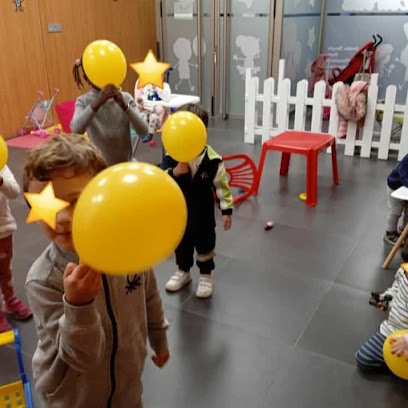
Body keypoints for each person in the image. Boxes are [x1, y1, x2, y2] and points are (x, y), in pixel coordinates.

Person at [24, 134, 169, 408]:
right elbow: (82, 358)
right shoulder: (43, 280)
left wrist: (159, 338)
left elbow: (149, 296)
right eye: (49, 205)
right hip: (73, 397)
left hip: (127, 387)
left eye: (76, 200)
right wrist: (78, 305)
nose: (62, 218)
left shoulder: (130, 250)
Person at [161, 104, 233, 298]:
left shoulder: (212, 160)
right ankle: (183, 271)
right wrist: (174, 172)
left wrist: (226, 211)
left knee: (205, 244)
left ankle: (205, 275)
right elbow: (161, 180)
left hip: (203, 214)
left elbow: (221, 187)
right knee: (182, 245)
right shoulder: (171, 156)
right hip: (180, 213)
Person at [70, 58, 148, 166]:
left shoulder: (125, 97)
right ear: (86, 78)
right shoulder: (83, 101)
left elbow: (143, 130)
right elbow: (76, 130)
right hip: (100, 168)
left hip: (126, 164)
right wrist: (97, 103)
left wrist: (125, 107)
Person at [355, 262, 408, 371]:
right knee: (363, 357)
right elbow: (397, 288)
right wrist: (387, 299)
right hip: (393, 330)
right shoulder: (403, 270)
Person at [0, 165, 32, 333]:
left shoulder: (1, 166)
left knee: (5, 271)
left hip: (3, 230)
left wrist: (1, 182)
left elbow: (14, 192)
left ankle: (10, 301)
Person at [384, 154, 408, 244]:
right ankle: (390, 233)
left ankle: (404, 230)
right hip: (395, 187)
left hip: (406, 189)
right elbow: (403, 176)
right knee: (395, 211)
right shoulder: (406, 160)